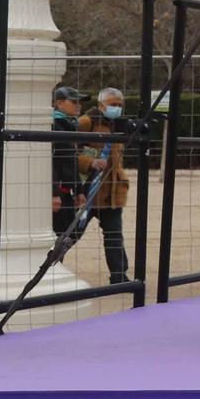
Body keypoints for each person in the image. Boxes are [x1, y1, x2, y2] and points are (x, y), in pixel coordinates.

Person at [75, 87, 132, 285]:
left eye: (119, 105)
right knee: (72, 233)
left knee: (114, 236)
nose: (116, 108)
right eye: (112, 104)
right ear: (101, 105)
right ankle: (52, 266)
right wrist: (87, 162)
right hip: (88, 191)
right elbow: (66, 152)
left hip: (113, 192)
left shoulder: (119, 125)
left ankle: (119, 275)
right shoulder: (85, 122)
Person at [50, 85, 84, 238]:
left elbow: (71, 161)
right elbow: (50, 163)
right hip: (58, 194)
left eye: (79, 102)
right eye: (74, 101)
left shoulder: (70, 126)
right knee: (59, 238)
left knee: (69, 235)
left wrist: (79, 190)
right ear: (59, 103)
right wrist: (53, 193)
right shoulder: (53, 126)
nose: (78, 105)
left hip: (68, 193)